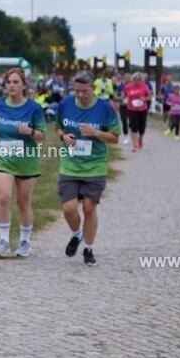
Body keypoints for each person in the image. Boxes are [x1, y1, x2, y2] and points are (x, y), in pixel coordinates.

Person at [55, 71, 121, 266]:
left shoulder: (104, 108)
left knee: (89, 208)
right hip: (70, 164)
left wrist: (95, 132)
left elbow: (115, 137)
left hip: (95, 165)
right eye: (77, 91)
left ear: (93, 88)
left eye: (84, 91)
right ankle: (77, 234)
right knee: (68, 209)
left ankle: (88, 249)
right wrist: (63, 136)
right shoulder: (65, 104)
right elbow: (58, 127)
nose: (80, 95)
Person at [0, 67, 45, 258]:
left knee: (23, 202)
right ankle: (3, 241)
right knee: (3, 197)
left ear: (24, 86)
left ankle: (25, 241)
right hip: (3, 159)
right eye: (9, 82)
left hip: (26, 161)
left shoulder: (34, 108)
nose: (11, 86)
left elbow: (42, 135)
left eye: (16, 82)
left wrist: (30, 132)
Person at [124, 72, 151, 151]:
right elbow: (124, 96)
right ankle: (135, 145)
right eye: (135, 79)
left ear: (142, 80)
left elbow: (149, 96)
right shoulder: (128, 87)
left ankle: (140, 138)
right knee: (134, 126)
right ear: (132, 79)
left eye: (139, 79)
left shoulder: (144, 86)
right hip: (132, 109)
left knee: (142, 126)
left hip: (142, 109)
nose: (137, 81)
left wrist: (145, 99)